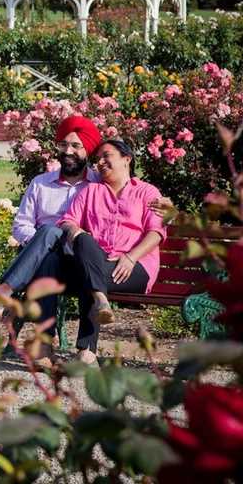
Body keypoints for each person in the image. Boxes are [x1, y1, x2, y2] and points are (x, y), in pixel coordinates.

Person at [0, 115, 101, 325]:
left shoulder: (98, 185)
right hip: (44, 262)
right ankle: (44, 346)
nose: (68, 151)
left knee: (51, 231)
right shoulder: (40, 183)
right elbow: (21, 225)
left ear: (88, 150)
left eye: (76, 146)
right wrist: (42, 245)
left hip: (81, 264)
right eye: (63, 144)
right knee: (48, 248)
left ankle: (1, 296)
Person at [57, 139, 167, 364]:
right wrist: (74, 231)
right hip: (99, 261)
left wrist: (130, 257)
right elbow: (68, 221)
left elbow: (156, 232)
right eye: (98, 158)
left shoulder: (148, 192)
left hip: (135, 266)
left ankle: (87, 352)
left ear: (127, 159)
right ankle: (100, 301)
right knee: (83, 241)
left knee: (88, 273)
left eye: (107, 155)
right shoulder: (91, 191)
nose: (101, 162)